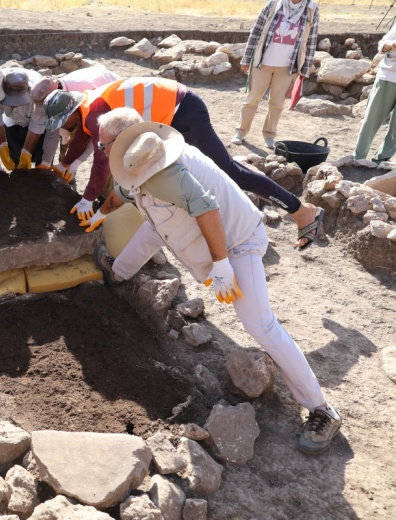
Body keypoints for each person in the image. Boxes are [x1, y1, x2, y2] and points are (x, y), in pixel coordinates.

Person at [90, 107, 342, 455]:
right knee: (153, 227)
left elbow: (207, 209)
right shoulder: (143, 155)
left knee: (260, 324)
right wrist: (98, 211)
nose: (101, 151)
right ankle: (119, 272)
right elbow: (126, 194)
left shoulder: (166, 174)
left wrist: (222, 265)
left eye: (104, 146)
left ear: (121, 143)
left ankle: (322, 410)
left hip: (238, 242)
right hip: (215, 237)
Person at [43, 77, 324, 250]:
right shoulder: (87, 106)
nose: (63, 129)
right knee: (213, 169)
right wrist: (66, 163)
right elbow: (83, 135)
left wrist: (88, 198)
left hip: (183, 111)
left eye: (62, 123)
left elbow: (102, 160)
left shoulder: (94, 113)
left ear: (70, 113)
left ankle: (301, 211)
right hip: (175, 110)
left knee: (228, 171)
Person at [235, 0, 320, 149]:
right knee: (252, 98)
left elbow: (311, 41)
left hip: (288, 67)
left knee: (277, 104)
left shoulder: (312, 9)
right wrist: (247, 58)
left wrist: (305, 69)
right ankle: (240, 132)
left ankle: (269, 135)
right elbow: (256, 31)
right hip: (262, 62)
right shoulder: (274, 3)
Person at [29, 66, 121, 181]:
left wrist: (75, 164)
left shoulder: (88, 99)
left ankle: (104, 194)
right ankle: (64, 168)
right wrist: (54, 163)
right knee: (69, 134)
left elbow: (93, 139)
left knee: (106, 154)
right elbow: (56, 129)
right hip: (89, 103)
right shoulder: (61, 98)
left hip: (116, 99)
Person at [0, 68, 57, 170]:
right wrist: (2, 144)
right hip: (11, 121)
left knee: (41, 154)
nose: (13, 104)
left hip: (39, 122)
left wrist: (26, 153)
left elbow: (37, 124)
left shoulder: (40, 93)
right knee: (14, 152)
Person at [353, 23, 396, 163]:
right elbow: (382, 44)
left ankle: (381, 160)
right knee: (371, 119)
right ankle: (358, 158)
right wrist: (389, 45)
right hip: (388, 76)